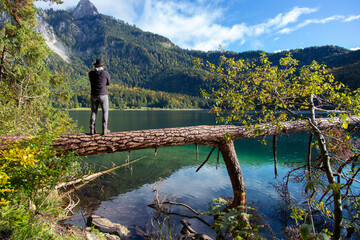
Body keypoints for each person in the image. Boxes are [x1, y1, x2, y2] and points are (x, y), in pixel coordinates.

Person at [89, 59, 111, 135]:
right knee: (105, 111)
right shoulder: (106, 73)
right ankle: (104, 129)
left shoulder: (91, 73)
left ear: (95, 66)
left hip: (93, 95)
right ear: (102, 66)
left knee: (94, 112)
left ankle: (92, 129)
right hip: (103, 94)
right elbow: (108, 83)